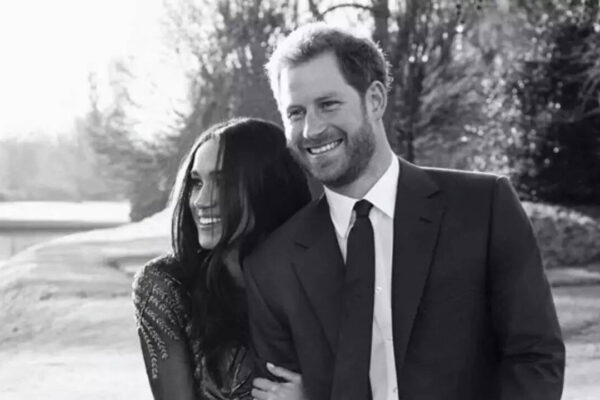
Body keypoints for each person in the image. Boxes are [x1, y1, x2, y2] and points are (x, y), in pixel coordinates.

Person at [244, 23, 565, 400]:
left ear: (375, 99)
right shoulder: (272, 267)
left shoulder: (483, 207)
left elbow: (534, 359)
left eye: (328, 104)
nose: (311, 129)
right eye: (295, 113)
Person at [132, 118, 312, 400]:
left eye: (222, 182)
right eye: (196, 183)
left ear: (267, 187)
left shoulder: (320, 274)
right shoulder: (166, 286)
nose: (201, 201)